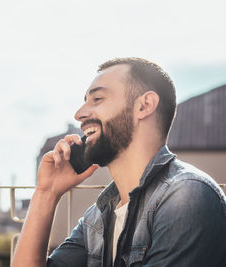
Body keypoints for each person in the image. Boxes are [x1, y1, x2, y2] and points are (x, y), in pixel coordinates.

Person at [12, 57, 226, 267]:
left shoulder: (186, 195)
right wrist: (46, 193)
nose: (80, 114)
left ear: (144, 106)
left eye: (97, 99)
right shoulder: (97, 218)